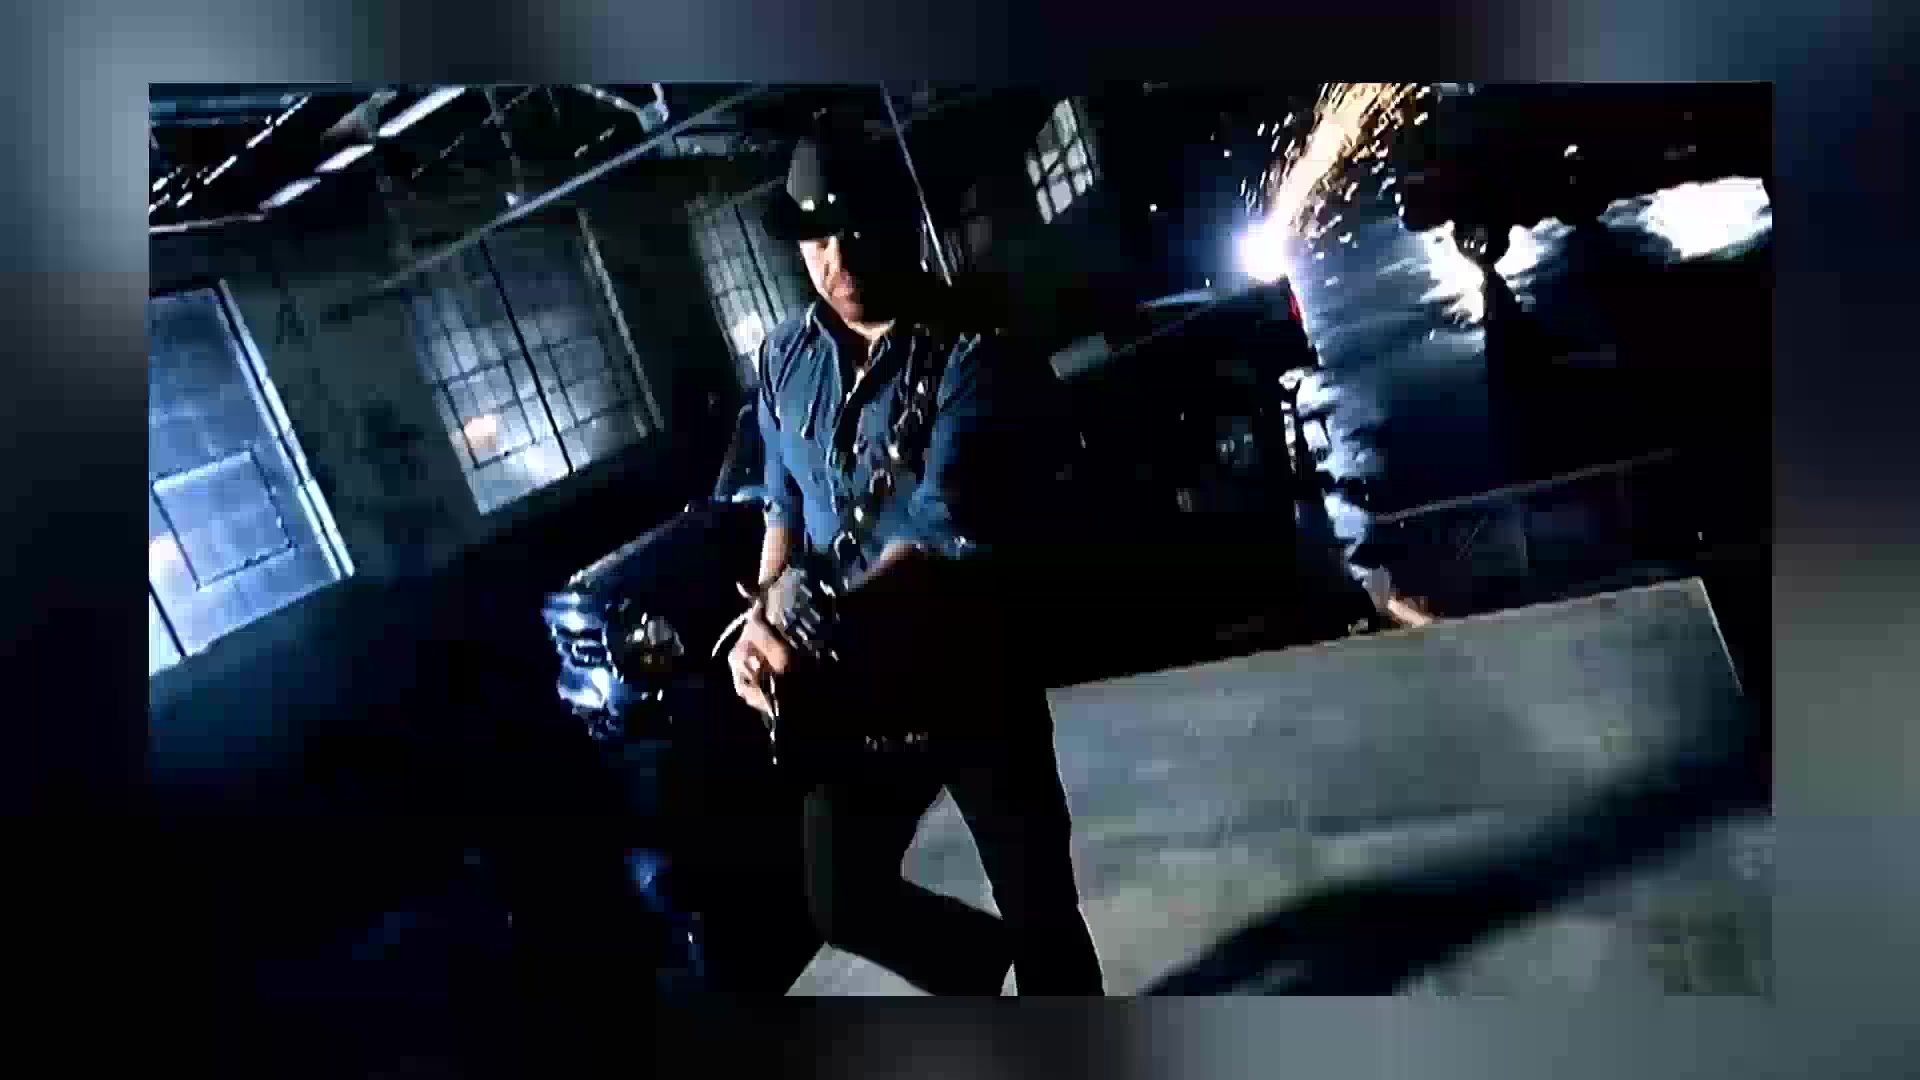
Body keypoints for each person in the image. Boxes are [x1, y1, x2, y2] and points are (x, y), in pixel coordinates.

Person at [721, 131, 1104, 995]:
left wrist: (814, 624)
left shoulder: (976, 353)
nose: (838, 259)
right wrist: (763, 616)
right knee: (840, 899)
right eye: (817, 240)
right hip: (852, 686)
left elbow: (933, 542)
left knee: (1040, 905)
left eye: (856, 231)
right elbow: (783, 504)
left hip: (972, 670)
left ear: (896, 226)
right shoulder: (783, 358)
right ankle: (975, 971)